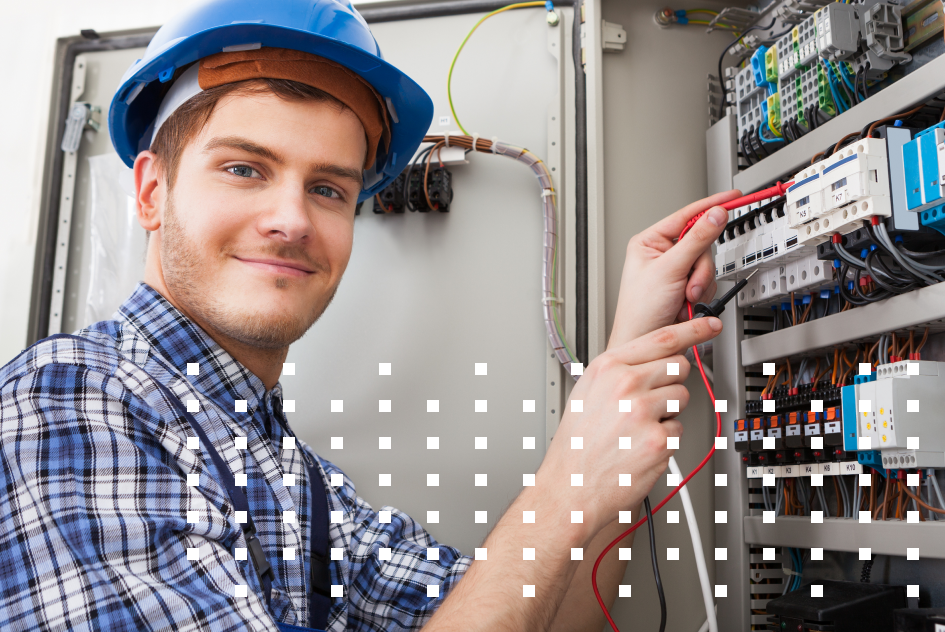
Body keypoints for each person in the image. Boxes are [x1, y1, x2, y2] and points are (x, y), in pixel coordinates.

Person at [0, 1, 740, 630]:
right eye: (244, 169)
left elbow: (532, 609)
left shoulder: (294, 477)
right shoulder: (72, 399)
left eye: (327, 188)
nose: (290, 219)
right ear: (152, 192)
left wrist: (628, 362)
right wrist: (563, 485)